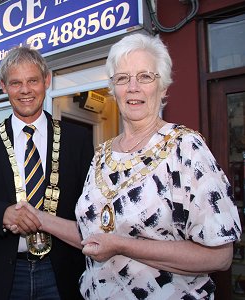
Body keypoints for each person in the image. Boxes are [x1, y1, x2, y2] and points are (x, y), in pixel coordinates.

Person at [73, 33, 241, 299]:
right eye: (122, 78)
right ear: (113, 88)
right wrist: (39, 219)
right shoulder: (101, 156)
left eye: (145, 77)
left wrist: (122, 246)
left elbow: (220, 256)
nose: (133, 87)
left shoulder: (185, 147)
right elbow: (89, 233)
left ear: (163, 88)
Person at [0, 46, 94, 300]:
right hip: (3, 272)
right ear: (4, 86)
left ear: (47, 81)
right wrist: (2, 214)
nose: (25, 90)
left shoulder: (77, 138)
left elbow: (89, 207)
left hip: (62, 271)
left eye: (32, 81)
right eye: (16, 83)